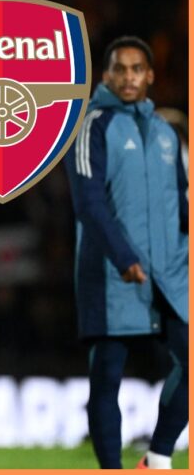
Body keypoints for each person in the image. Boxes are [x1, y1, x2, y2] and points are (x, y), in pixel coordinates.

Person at [63, 36, 188, 469]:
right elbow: (88, 203)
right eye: (120, 69)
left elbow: (180, 203)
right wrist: (122, 257)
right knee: (107, 375)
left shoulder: (165, 132)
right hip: (110, 270)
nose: (128, 77)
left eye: (137, 69)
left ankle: (157, 457)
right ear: (106, 75)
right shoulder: (91, 126)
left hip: (169, 271)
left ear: (150, 75)